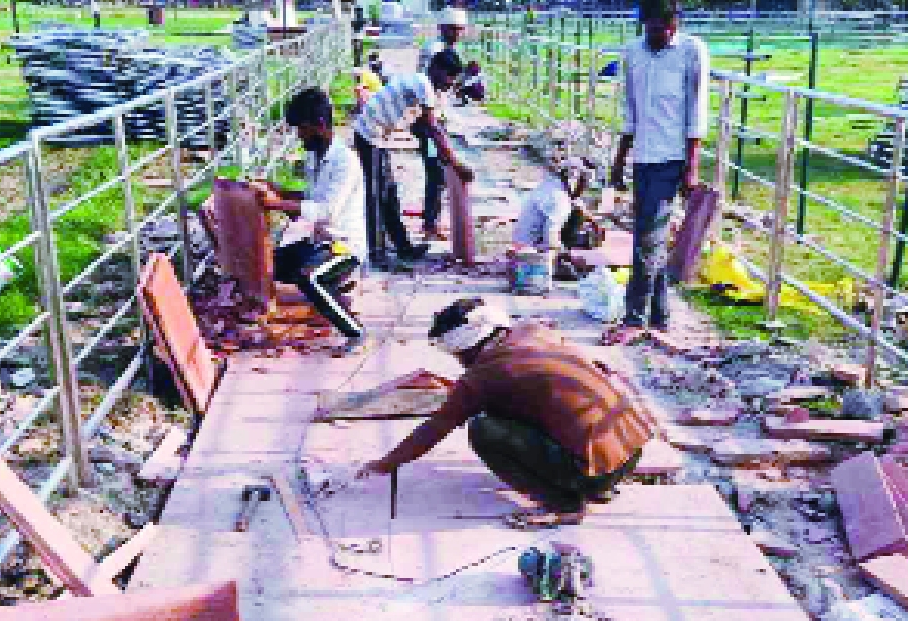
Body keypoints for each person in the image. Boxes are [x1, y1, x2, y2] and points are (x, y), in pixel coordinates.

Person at [357, 298, 657, 526]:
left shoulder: (484, 376)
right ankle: (600, 483)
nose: (460, 362)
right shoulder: (536, 331)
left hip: (595, 472)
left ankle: (564, 504)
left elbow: (434, 428)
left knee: (483, 429)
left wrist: (385, 464)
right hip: (631, 450)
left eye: (458, 355)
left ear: (468, 346)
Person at [608, 0, 708, 341]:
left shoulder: (691, 51)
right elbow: (630, 110)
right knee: (650, 237)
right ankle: (660, 315)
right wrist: (619, 160)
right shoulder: (633, 52)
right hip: (643, 157)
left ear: (674, 24)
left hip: (672, 158)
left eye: (662, 29)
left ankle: (634, 318)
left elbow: (696, 111)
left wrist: (691, 167)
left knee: (646, 240)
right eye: (649, 28)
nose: (655, 35)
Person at [248, 88, 367, 351]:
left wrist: (276, 203)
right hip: (319, 243)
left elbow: (327, 211)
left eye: (302, 128)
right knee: (269, 264)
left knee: (309, 278)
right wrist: (277, 190)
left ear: (320, 124)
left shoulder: (345, 162)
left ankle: (355, 332)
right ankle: (331, 294)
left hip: (345, 247)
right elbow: (309, 199)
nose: (299, 135)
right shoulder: (314, 156)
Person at [352, 49, 473, 267]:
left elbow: (422, 127)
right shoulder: (424, 85)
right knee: (377, 195)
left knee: (389, 194)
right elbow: (433, 129)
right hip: (369, 135)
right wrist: (456, 164)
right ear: (436, 69)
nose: (450, 83)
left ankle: (403, 247)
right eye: (449, 77)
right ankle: (376, 253)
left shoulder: (421, 85)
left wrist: (443, 156)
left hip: (378, 138)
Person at [414, 7, 468, 246]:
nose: (457, 34)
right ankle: (429, 223)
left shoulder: (446, 49)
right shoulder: (436, 51)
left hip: (435, 117)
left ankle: (431, 219)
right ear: (443, 28)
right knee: (435, 171)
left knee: (437, 171)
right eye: (453, 29)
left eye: (460, 30)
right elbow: (432, 87)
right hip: (427, 120)